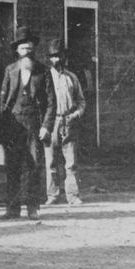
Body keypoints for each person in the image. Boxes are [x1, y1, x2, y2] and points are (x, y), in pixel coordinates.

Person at [0, 27, 48, 219]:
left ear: (34, 48)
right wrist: (1, 128)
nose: (26, 50)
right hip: (13, 123)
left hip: (34, 123)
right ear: (17, 50)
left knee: (33, 166)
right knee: (12, 167)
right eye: (22, 47)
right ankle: (12, 209)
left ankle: (33, 208)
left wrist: (46, 126)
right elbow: (3, 102)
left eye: (29, 47)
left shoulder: (42, 71)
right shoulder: (10, 70)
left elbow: (51, 102)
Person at [41, 39, 86, 206]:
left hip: (68, 122)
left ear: (64, 57)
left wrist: (76, 114)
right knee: (50, 162)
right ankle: (52, 195)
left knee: (71, 162)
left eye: (59, 56)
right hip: (51, 122)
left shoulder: (72, 78)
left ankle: (73, 196)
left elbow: (81, 101)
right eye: (53, 57)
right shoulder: (45, 77)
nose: (56, 60)